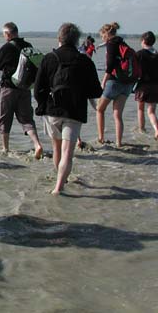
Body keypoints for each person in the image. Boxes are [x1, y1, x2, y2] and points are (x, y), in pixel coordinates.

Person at [34, 23, 102, 195]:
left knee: (56, 149)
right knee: (67, 152)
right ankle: (59, 187)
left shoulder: (49, 58)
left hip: (52, 110)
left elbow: (38, 89)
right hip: (74, 110)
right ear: (77, 40)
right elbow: (95, 91)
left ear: (59, 38)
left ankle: (59, 181)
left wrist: (42, 105)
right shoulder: (85, 60)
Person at [0, 22, 43, 158]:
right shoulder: (28, 46)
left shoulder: (7, 47)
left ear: (8, 34)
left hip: (8, 87)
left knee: (4, 118)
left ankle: (5, 149)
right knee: (27, 119)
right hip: (25, 88)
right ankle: (37, 144)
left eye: (4, 34)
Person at [96, 22, 132, 147]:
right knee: (117, 114)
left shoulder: (111, 44)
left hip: (114, 81)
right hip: (127, 83)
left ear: (106, 33)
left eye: (102, 35)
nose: (102, 38)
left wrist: (103, 80)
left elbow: (110, 65)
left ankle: (101, 138)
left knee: (100, 109)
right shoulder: (123, 43)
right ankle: (119, 142)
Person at [135, 31, 158, 139]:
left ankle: (141, 129)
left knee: (140, 108)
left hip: (143, 85)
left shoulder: (139, 54)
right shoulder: (157, 54)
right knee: (152, 111)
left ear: (143, 41)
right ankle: (156, 129)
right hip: (156, 85)